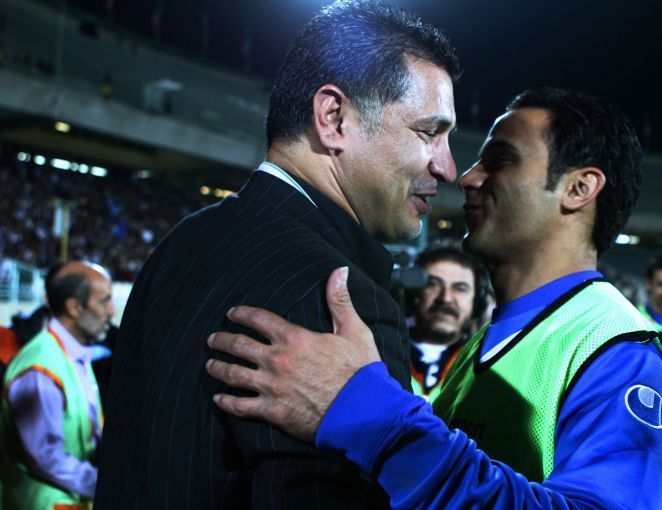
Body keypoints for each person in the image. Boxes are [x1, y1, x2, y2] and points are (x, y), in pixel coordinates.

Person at [206, 87, 662, 509]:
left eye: (499, 161)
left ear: (579, 188)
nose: (467, 177)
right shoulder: (489, 343)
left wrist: (370, 415)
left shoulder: (620, 353)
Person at [94, 2, 459, 508]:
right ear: (333, 118)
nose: (448, 167)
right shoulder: (340, 298)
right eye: (429, 133)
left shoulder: (183, 240)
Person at [0, 261, 113, 510]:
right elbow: (46, 456)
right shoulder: (40, 369)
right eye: (105, 301)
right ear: (74, 307)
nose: (112, 310)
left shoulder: (71, 354)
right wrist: (107, 484)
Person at [409, 242, 489, 400]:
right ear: (414, 294)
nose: (446, 298)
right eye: (433, 284)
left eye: (460, 288)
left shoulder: (484, 366)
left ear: (477, 303)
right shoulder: (381, 352)